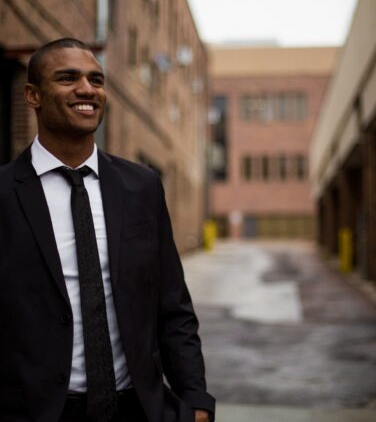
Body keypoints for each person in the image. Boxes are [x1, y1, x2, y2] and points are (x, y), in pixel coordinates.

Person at [0, 38, 215, 422]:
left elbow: (173, 304)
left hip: (137, 408)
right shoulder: (3, 193)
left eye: (96, 80)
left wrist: (195, 399)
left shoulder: (142, 186)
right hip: (36, 411)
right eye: (68, 78)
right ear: (33, 95)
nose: (87, 89)